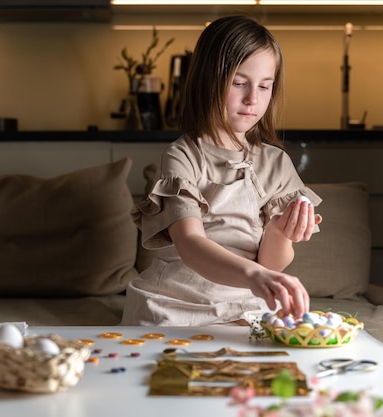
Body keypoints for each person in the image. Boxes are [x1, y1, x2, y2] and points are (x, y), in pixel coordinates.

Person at [120, 15, 323, 327]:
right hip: (175, 304)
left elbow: (271, 263)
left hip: (245, 306)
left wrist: (279, 233)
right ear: (208, 80)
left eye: (265, 86)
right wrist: (254, 274)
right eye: (239, 83)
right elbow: (191, 244)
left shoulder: (277, 163)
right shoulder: (183, 155)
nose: (252, 98)